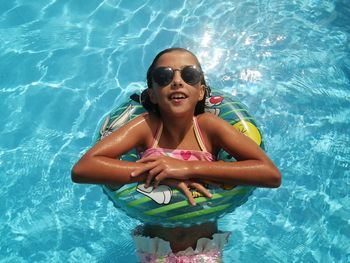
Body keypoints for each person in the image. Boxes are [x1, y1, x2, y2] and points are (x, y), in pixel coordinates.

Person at [71, 47, 281, 262]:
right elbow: (84, 168)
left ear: (201, 91)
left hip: (204, 250)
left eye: (189, 75)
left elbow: (269, 174)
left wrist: (187, 168)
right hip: (155, 250)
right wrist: (159, 173)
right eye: (164, 76)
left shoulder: (209, 127)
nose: (177, 81)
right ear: (152, 93)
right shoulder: (146, 127)